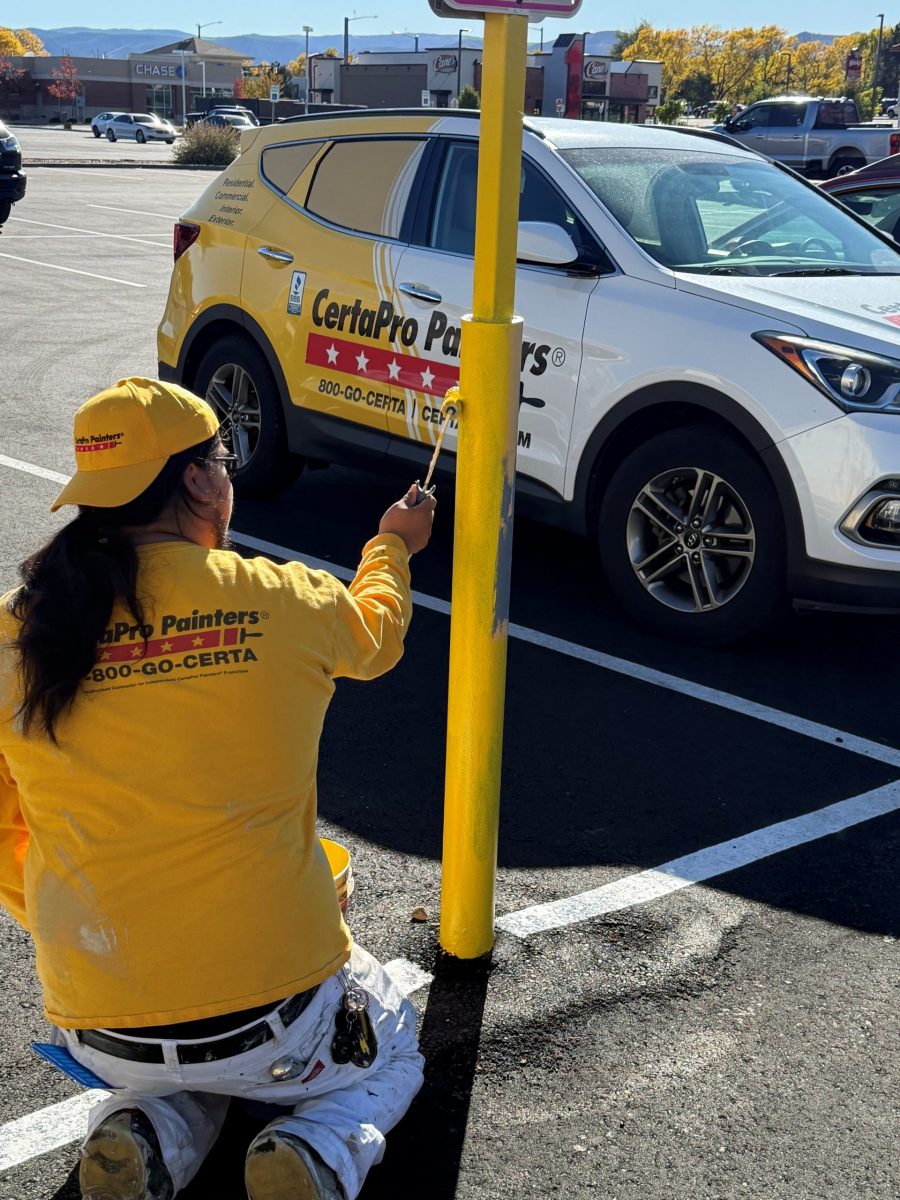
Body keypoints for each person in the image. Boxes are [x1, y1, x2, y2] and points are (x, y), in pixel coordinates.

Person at [0, 377, 437, 1200]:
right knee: (395, 1035)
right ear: (200, 481)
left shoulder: (16, 628)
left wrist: (77, 908)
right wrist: (394, 544)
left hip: (98, 1016)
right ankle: (316, 1147)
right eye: (221, 464)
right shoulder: (278, 598)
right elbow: (376, 635)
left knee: (178, 1062)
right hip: (272, 1016)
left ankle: (148, 1130)